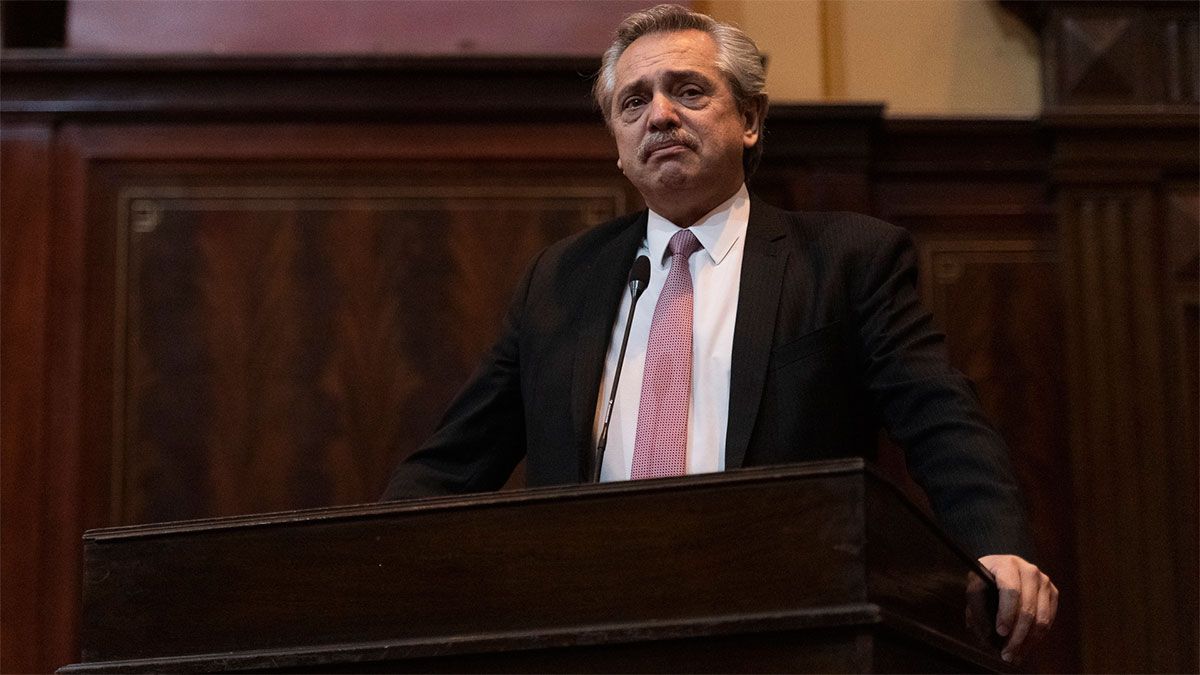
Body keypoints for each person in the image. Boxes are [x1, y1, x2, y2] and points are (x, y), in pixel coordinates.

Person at [383, 3, 1057, 664]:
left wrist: (993, 545)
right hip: (589, 630)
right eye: (633, 102)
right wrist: (365, 565)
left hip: (781, 632)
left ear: (751, 120)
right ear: (618, 145)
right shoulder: (560, 280)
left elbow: (939, 419)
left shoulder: (844, 261)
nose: (660, 115)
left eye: (688, 91)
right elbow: (454, 461)